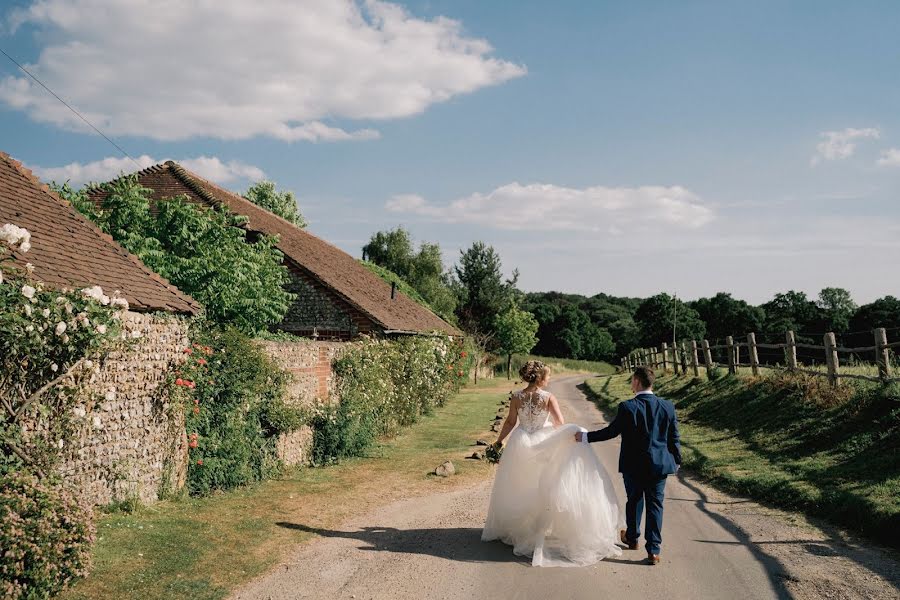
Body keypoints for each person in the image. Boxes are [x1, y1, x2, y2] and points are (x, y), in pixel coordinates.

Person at [482, 360, 623, 566]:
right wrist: (568, 437)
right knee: (543, 483)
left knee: (520, 482)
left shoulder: (516, 396)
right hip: (542, 441)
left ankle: (522, 527)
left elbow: (511, 422)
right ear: (540, 378)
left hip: (520, 442)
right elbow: (559, 424)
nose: (549, 380)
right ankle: (538, 526)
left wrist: (499, 441)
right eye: (548, 376)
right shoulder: (548, 397)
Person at [575, 366, 681, 565]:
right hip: (659, 466)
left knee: (634, 500)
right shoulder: (668, 406)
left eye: (632, 379)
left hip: (633, 466)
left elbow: (611, 432)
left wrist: (585, 437)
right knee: (655, 506)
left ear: (638, 382)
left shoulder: (628, 407)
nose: (631, 383)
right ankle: (654, 550)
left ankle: (632, 538)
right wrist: (677, 460)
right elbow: (673, 437)